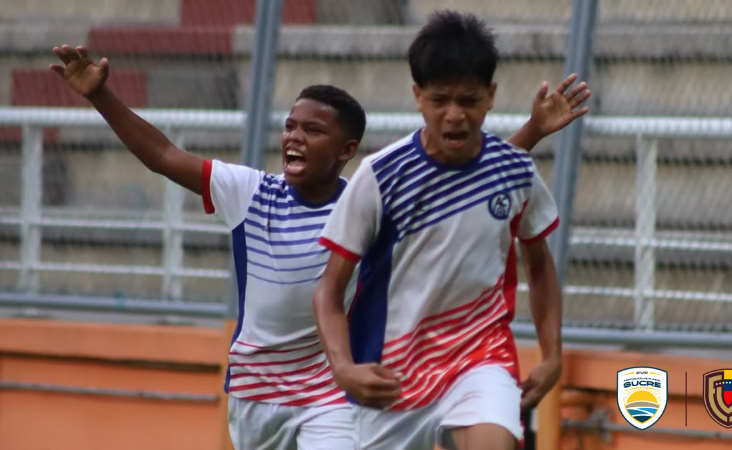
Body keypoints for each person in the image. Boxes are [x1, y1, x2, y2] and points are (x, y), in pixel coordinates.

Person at [50, 40, 587, 450]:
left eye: (313, 130)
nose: (295, 137)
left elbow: (460, 183)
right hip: (255, 393)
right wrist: (100, 95)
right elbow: (163, 155)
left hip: (330, 391)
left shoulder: (366, 202)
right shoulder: (249, 192)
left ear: (346, 150)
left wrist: (531, 132)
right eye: (290, 127)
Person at [313, 10, 576, 450]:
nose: (455, 115)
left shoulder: (515, 171)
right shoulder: (380, 175)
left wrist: (552, 356)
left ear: (491, 96)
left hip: (480, 359)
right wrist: (343, 368)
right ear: (418, 96)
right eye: (440, 100)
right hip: (390, 376)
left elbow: (539, 266)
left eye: (469, 100)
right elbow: (329, 288)